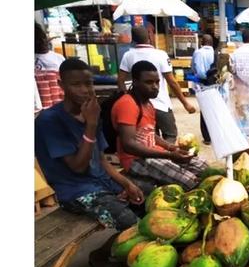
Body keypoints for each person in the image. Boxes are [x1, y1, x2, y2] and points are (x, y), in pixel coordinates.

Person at [35, 58, 144, 231]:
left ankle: (103, 254)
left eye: (88, 83)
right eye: (76, 84)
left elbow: (101, 159)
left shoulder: (91, 111)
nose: (85, 90)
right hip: (75, 192)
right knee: (130, 223)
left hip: (101, 183)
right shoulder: (49, 121)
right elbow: (78, 166)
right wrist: (91, 125)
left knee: (146, 199)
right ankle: (114, 254)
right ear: (61, 85)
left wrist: (127, 184)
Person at [112, 60, 209, 192]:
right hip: (136, 160)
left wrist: (171, 148)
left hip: (154, 154)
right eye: (149, 82)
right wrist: (169, 155)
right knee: (190, 182)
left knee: (204, 167)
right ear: (135, 82)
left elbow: (150, 133)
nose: (155, 86)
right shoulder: (127, 104)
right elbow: (128, 145)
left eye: (157, 82)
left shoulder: (149, 104)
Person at [117, 26, 196, 144]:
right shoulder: (161, 55)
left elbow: (120, 80)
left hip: (140, 106)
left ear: (133, 40)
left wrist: (129, 98)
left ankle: (157, 158)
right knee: (170, 135)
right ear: (149, 37)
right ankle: (165, 159)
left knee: (149, 138)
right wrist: (185, 103)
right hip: (161, 105)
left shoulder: (128, 55)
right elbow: (172, 82)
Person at [191, 34, 216, 144]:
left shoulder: (198, 53)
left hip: (203, 85)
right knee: (216, 109)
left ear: (202, 42)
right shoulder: (216, 53)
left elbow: (197, 70)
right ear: (211, 43)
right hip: (216, 85)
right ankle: (216, 135)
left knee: (205, 110)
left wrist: (204, 77)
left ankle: (207, 137)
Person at [35, 23, 65, 110]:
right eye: (37, 39)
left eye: (43, 38)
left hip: (59, 108)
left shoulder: (59, 58)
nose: (42, 41)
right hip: (39, 109)